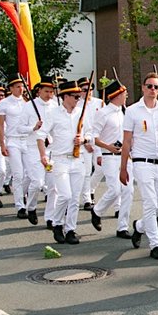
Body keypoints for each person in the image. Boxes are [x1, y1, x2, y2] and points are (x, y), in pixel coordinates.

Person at [120, 72, 158, 261]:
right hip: (141, 162)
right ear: (143, 88)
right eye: (149, 86)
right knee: (150, 203)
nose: (153, 89)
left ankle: (140, 226)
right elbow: (127, 141)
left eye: (156, 87)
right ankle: (156, 245)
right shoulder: (133, 111)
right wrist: (123, 167)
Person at [36, 80, 91, 245]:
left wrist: (84, 139)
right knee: (65, 195)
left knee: (75, 198)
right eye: (75, 96)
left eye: (79, 96)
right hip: (60, 159)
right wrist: (43, 155)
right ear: (65, 96)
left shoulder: (81, 113)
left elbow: (91, 133)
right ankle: (57, 223)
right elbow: (40, 135)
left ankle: (71, 229)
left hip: (78, 158)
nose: (78, 99)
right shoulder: (53, 114)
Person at [90, 78, 134, 239]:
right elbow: (93, 137)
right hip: (109, 157)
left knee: (128, 191)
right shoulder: (103, 113)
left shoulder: (125, 112)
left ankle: (122, 227)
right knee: (115, 190)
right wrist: (107, 147)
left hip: (125, 156)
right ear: (117, 95)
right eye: (124, 93)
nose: (126, 96)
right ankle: (97, 211)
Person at [0, 77, 34, 218]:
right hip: (13, 141)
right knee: (18, 175)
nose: (21, 89)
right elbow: (0, 125)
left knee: (31, 174)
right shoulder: (4, 103)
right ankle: (20, 206)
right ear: (11, 88)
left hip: (28, 140)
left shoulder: (28, 102)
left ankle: (22, 194)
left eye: (22, 86)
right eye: (17, 86)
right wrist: (2, 144)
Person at [24, 77, 58, 225]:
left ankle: (50, 217)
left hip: (51, 149)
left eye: (51, 92)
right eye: (46, 91)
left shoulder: (56, 106)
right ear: (39, 91)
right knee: (37, 182)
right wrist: (33, 127)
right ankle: (31, 207)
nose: (49, 95)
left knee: (53, 185)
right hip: (33, 149)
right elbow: (18, 128)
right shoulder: (28, 106)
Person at [77, 77, 103, 210]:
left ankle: (91, 189)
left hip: (98, 140)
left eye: (90, 89)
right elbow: (77, 126)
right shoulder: (77, 105)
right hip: (85, 142)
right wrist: (85, 142)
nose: (88, 92)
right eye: (85, 89)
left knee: (100, 169)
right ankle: (87, 199)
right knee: (86, 171)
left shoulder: (99, 102)